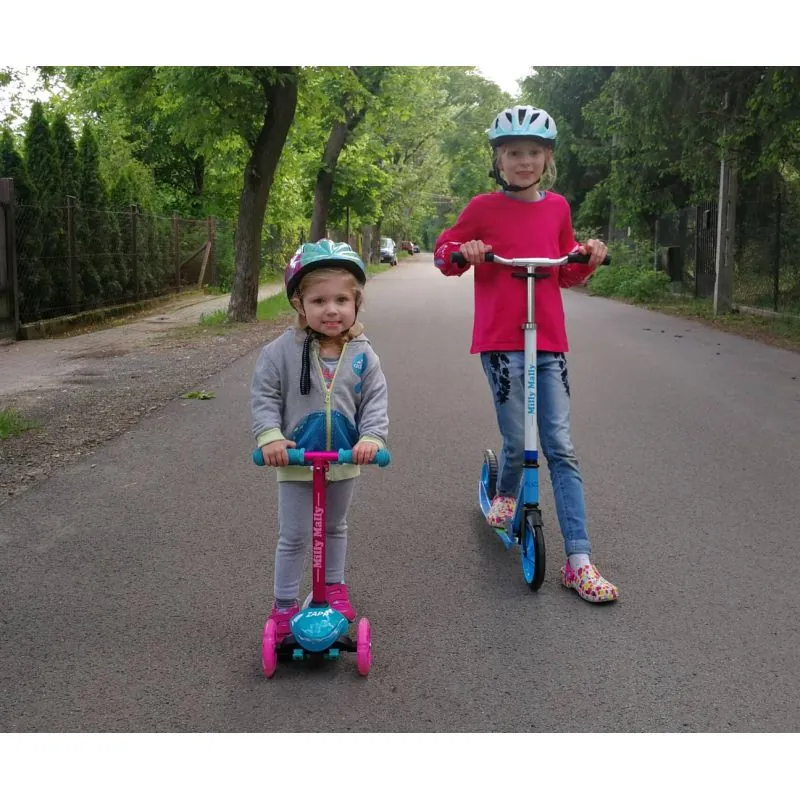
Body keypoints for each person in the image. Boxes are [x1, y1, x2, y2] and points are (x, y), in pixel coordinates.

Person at [433, 105, 618, 603]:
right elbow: (445, 254)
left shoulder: (557, 208)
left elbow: (566, 268)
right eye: (514, 152)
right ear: (499, 159)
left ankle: (579, 561)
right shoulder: (483, 207)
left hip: (548, 341)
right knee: (518, 438)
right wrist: (465, 252)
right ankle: (506, 493)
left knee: (560, 445)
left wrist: (588, 258)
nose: (524, 161)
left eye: (534, 152)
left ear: (547, 158)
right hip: (501, 341)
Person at [251, 239, 389, 636]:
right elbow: (265, 395)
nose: (331, 309)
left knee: (335, 527)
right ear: (299, 304)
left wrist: (372, 439)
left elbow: (375, 400)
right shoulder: (280, 352)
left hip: (343, 458)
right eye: (319, 301)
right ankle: (283, 604)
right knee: (294, 535)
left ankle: (333, 588)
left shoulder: (364, 354)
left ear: (356, 303)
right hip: (297, 459)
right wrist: (270, 437)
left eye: (342, 300)